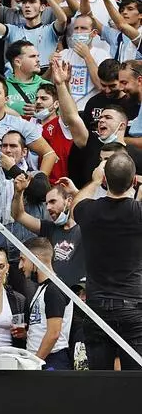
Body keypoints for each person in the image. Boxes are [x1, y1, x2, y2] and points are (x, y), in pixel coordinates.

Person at [73, 153, 142, 369]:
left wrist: (94, 181)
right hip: (133, 308)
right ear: (133, 182)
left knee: (99, 382)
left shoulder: (89, 210)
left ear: (104, 180)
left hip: (97, 308)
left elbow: (76, 203)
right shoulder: (138, 212)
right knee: (136, 383)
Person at [51, 56, 142, 189]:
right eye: (101, 118)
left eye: (108, 117)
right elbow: (72, 118)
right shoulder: (92, 141)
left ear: (122, 125)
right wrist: (61, 85)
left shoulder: (136, 155)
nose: (102, 120)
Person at [0, 73, 57, 186]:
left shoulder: (20, 124)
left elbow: (49, 154)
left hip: (13, 192)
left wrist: (38, 184)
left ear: (6, 99)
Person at [12, 175, 85, 288]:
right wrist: (18, 192)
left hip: (76, 296)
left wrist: (75, 192)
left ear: (69, 201)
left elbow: (97, 213)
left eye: (53, 202)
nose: (48, 208)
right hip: (52, 292)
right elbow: (19, 215)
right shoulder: (49, 228)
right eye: (46, 204)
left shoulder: (85, 228)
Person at [0, 0, 67, 71]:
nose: (27, 6)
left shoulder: (50, 30)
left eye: (32, 2)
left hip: (45, 79)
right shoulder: (13, 30)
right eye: (24, 3)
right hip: (18, 79)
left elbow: (63, 20)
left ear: (42, 7)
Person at [19, 237, 73, 370]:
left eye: (23, 259)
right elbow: (44, 327)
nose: (20, 266)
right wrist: (27, 334)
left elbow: (54, 333)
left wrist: (35, 363)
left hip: (52, 360)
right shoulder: (43, 288)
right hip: (44, 358)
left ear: (35, 258)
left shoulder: (53, 289)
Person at [59, 14, 111, 110]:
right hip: (67, 111)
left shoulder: (102, 55)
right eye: (76, 28)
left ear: (94, 33)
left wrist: (87, 56)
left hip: (89, 111)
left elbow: (101, 86)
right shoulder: (63, 54)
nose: (78, 32)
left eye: (83, 28)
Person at [4, 41, 52, 117]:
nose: (38, 60)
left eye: (38, 56)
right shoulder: (2, 88)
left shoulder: (47, 85)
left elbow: (61, 118)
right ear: (18, 62)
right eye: (32, 56)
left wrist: (42, 112)